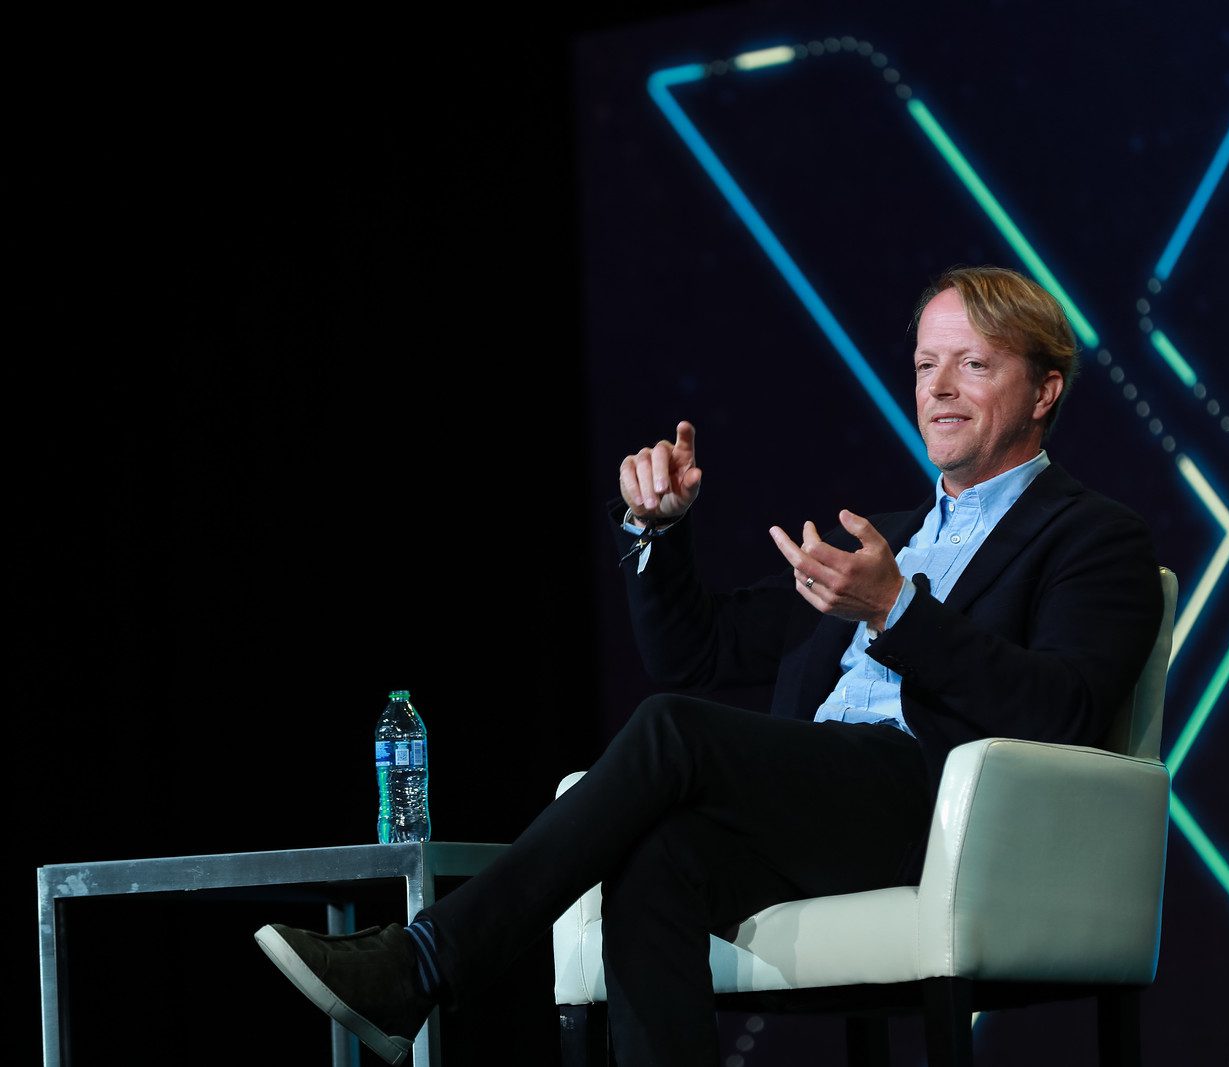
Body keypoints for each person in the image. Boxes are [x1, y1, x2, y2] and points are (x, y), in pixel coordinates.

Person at [254, 265, 1164, 1065]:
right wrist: (658, 531)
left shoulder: (1092, 538)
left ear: (1045, 390)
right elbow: (695, 652)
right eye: (927, 364)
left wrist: (895, 610)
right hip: (823, 797)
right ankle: (423, 967)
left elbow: (1065, 708)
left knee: (670, 733)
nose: (939, 389)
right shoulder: (889, 538)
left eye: (974, 363)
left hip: (941, 808)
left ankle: (424, 962)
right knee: (656, 856)